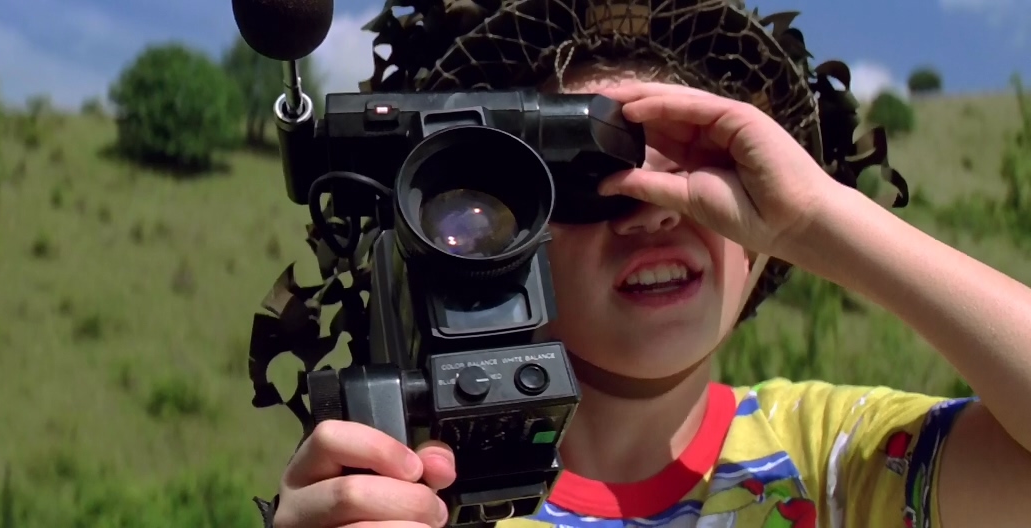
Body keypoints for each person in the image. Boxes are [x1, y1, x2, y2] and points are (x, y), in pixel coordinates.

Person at [258, 1, 1031, 526]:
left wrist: (815, 217)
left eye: (709, 175)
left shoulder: (838, 460)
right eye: (589, 183)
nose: (659, 210)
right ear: (488, 231)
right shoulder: (412, 498)